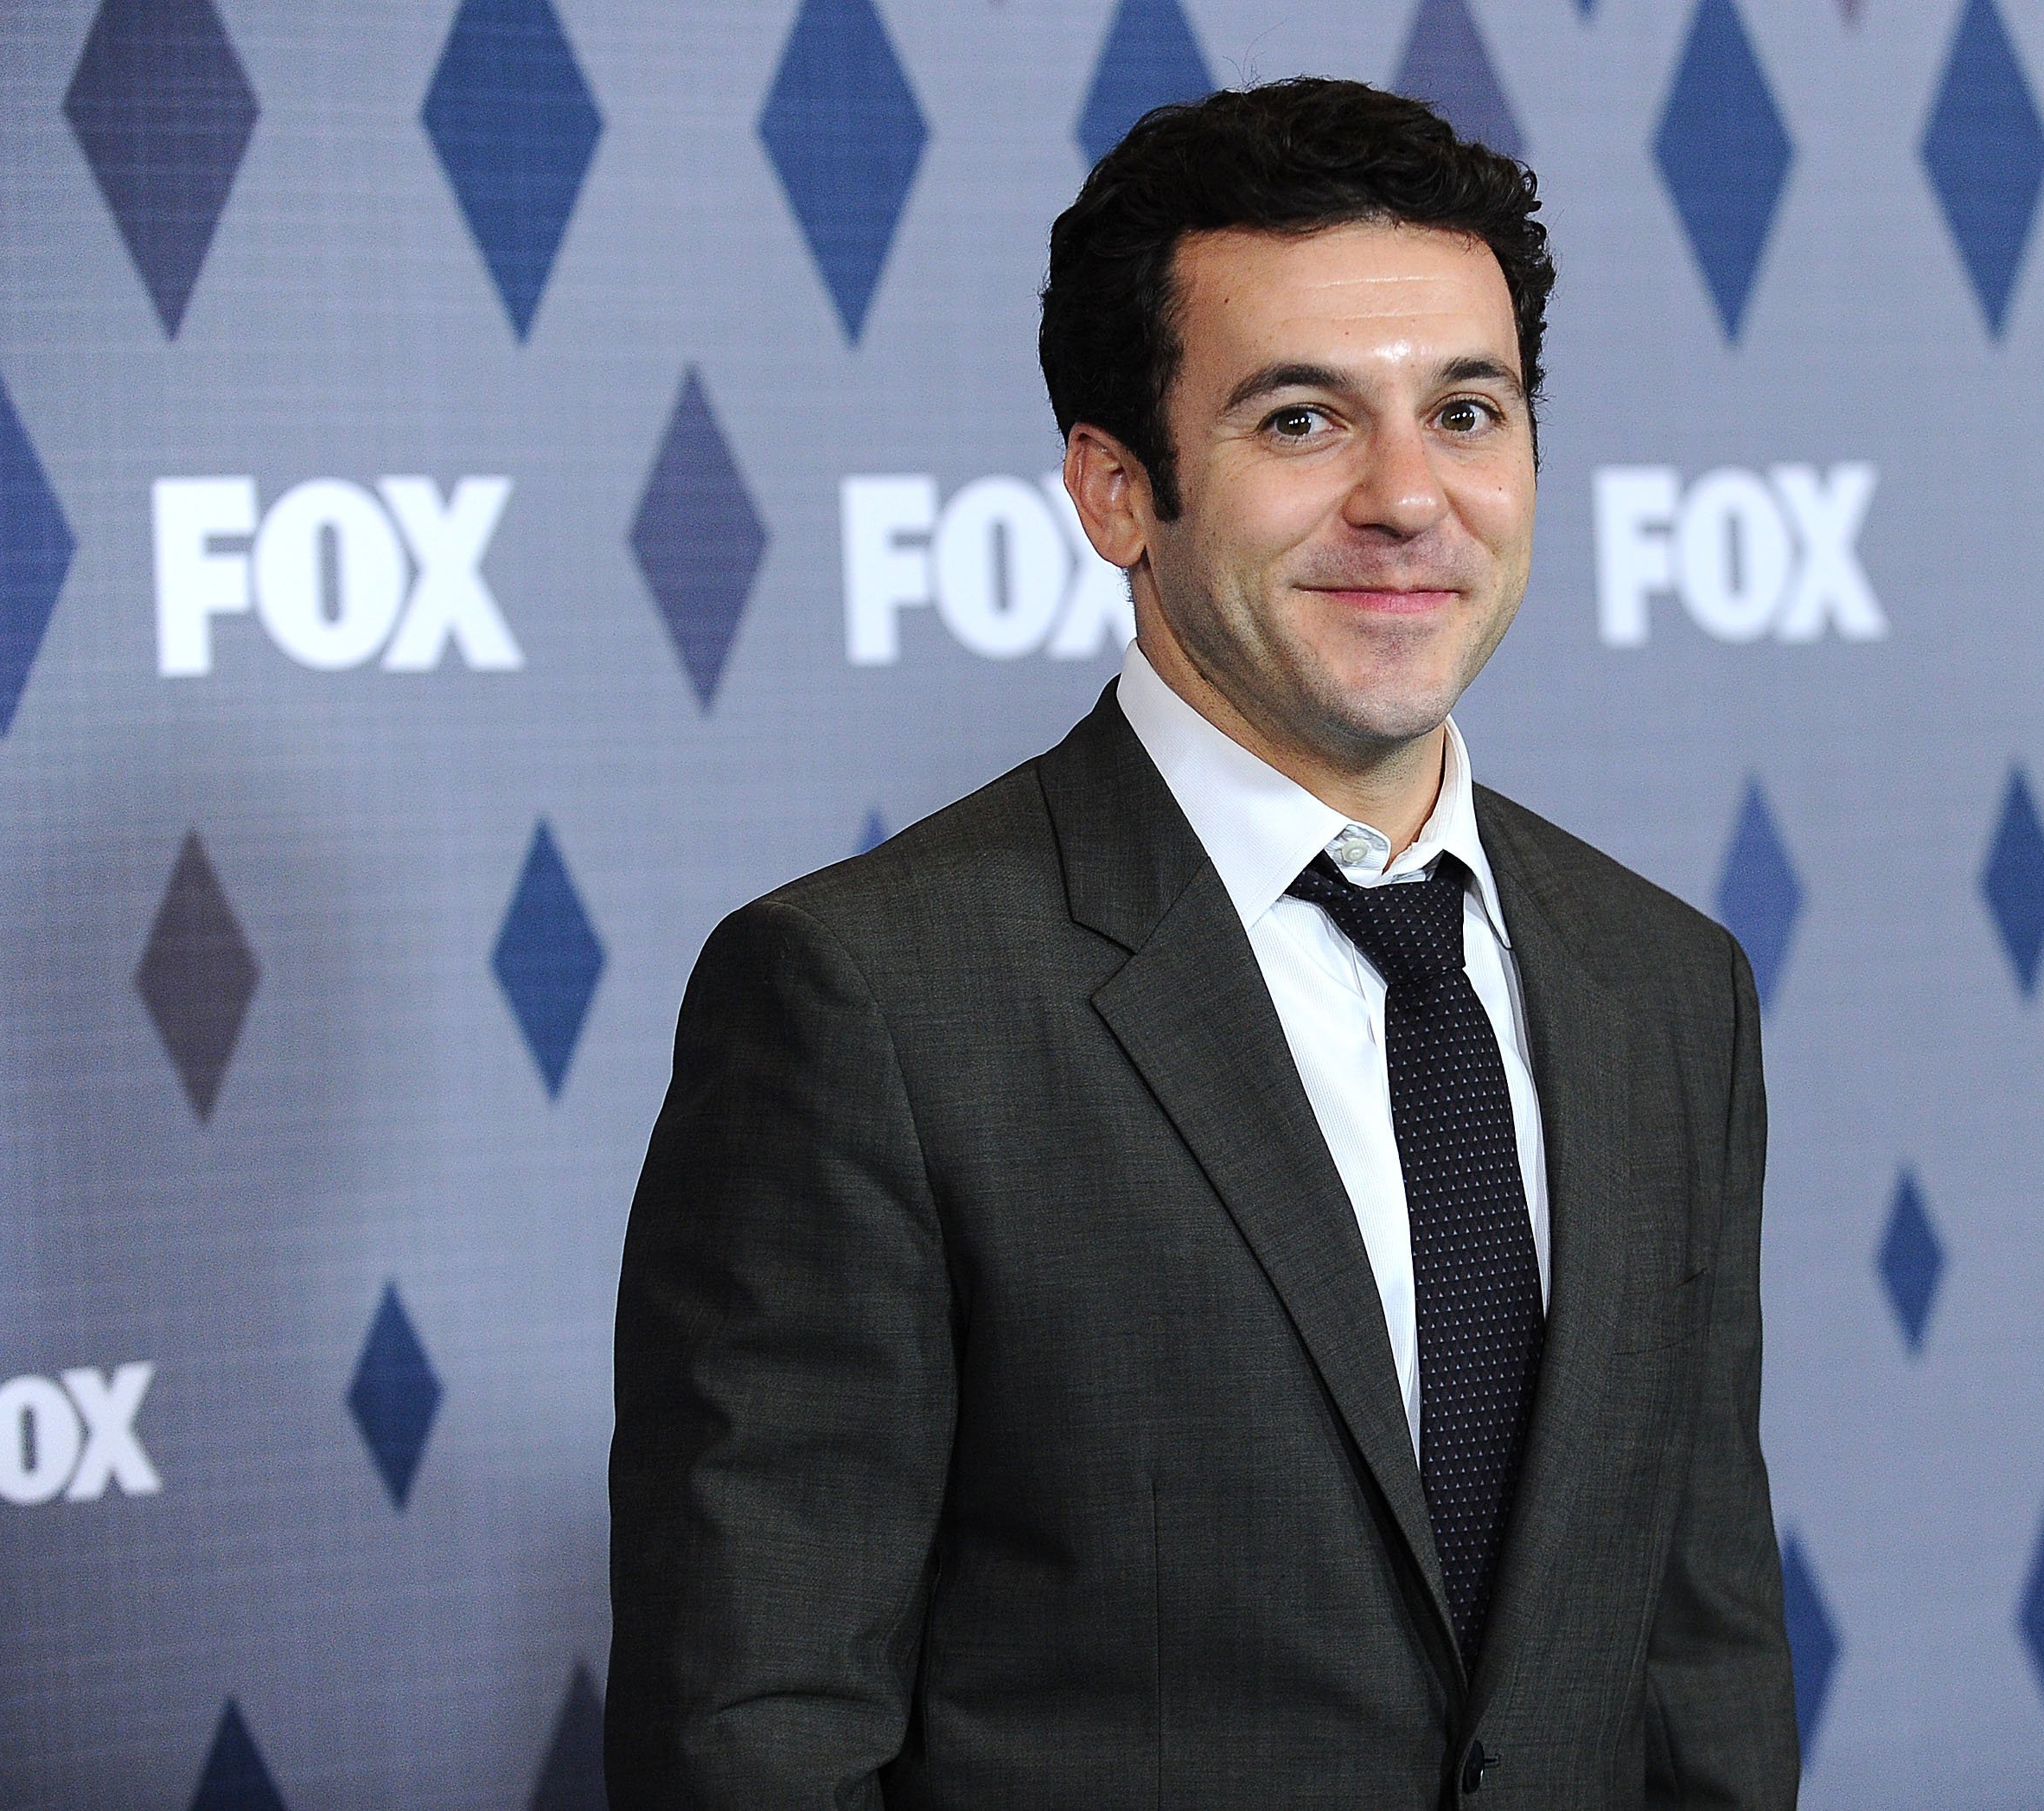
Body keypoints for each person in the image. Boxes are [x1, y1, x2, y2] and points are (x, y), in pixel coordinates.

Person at [606, 77, 1798, 1809]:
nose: (1409, 496)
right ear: (1115, 492)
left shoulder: (1667, 989)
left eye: (1468, 410)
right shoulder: (865, 1004)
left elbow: (1702, 1663)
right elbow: (758, 1733)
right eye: (1304, 420)